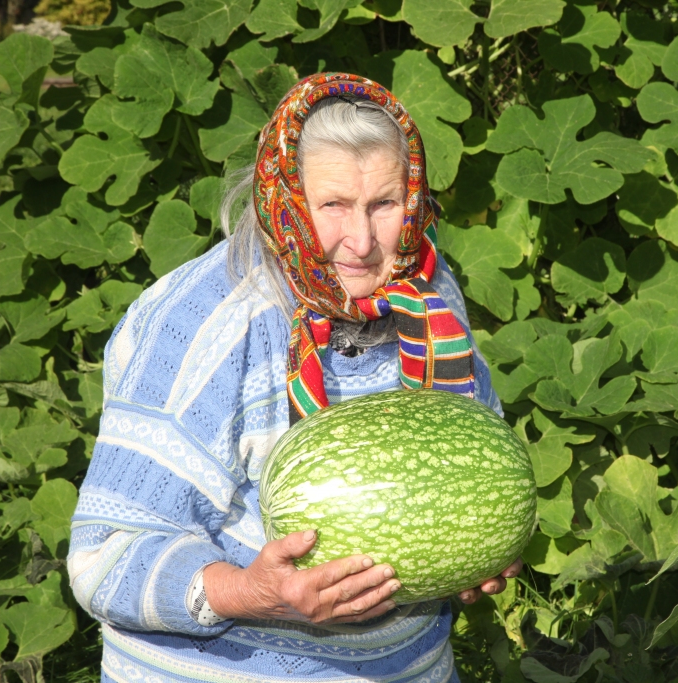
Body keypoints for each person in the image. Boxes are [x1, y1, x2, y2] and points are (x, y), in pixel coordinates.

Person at [67, 73, 520, 683]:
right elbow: (104, 558)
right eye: (332, 205)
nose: (360, 242)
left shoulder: (430, 299)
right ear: (284, 197)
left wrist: (477, 544)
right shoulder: (206, 322)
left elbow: (476, 456)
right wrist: (252, 592)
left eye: (384, 204)